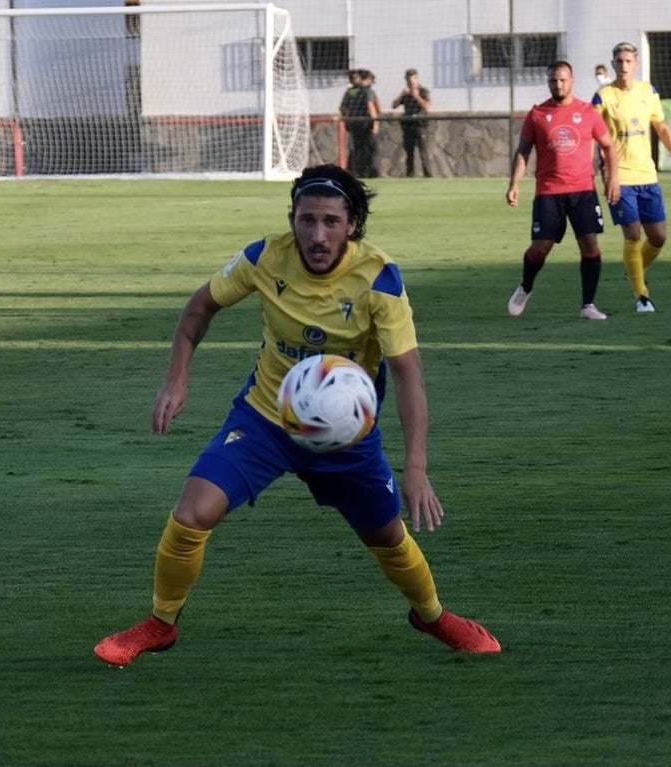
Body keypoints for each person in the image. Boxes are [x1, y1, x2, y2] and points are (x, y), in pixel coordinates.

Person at [93, 164, 502, 668]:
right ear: (293, 220)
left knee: (388, 536)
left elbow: (409, 375)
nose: (317, 234)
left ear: (352, 225)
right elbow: (198, 308)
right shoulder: (265, 257)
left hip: (348, 436)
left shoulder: (379, 279)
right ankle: (160, 624)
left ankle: (432, 615)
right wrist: (177, 378)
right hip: (266, 419)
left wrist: (416, 469)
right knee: (191, 513)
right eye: (307, 220)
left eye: (330, 221)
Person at [506, 61, 620, 321]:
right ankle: (525, 286)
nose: (558, 84)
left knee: (589, 243)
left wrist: (613, 178)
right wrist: (515, 184)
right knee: (540, 247)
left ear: (572, 81)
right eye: (553, 80)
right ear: (548, 82)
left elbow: (609, 146)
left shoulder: (588, 112)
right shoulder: (537, 114)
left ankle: (588, 305)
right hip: (548, 191)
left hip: (583, 190)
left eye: (562, 80)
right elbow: (523, 151)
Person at [592, 41, 671, 313]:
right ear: (614, 64)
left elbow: (662, 128)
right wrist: (601, 171)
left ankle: (634, 270)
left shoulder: (648, 91)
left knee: (659, 238)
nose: (624, 66)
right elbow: (591, 134)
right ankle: (642, 296)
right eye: (619, 62)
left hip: (647, 176)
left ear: (636, 64)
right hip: (620, 177)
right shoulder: (604, 96)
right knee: (633, 233)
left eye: (629, 62)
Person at [392, 68, 432, 178]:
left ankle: (428, 175)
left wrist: (416, 96)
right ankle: (410, 175)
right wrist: (402, 95)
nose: (411, 82)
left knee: (424, 152)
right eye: (408, 80)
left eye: (412, 80)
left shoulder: (423, 91)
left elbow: (427, 107)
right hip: (408, 125)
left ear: (417, 79)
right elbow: (394, 105)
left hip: (420, 125)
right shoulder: (405, 93)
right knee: (409, 153)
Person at [338, 69, 379, 178]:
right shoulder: (366, 90)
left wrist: (348, 117)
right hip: (365, 123)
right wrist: (375, 123)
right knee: (369, 148)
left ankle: (356, 172)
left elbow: (342, 107)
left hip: (354, 124)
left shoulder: (350, 91)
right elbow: (370, 106)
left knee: (357, 148)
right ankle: (369, 172)